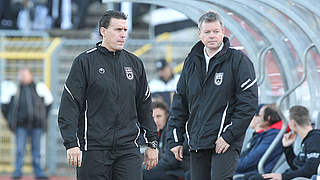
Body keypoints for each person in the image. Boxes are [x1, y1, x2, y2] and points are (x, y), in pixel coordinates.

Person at [58, 10, 158, 180]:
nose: (123, 35)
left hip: (128, 149)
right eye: (118, 30)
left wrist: (152, 143)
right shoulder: (84, 62)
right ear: (103, 31)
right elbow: (70, 105)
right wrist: (71, 143)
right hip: (93, 150)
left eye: (125, 30)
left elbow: (145, 106)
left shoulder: (135, 63)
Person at [166, 11, 258, 180]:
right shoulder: (191, 61)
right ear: (199, 34)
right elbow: (180, 102)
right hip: (197, 141)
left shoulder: (238, 60)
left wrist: (228, 136)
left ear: (223, 32)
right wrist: (176, 139)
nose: (212, 36)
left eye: (216, 31)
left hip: (225, 142)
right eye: (207, 32)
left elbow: (248, 104)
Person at [0, 68, 53, 179]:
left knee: (37, 151)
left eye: (25, 74)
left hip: (36, 126)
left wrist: (41, 118)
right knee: (19, 150)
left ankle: (38, 172)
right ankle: (17, 172)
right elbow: (4, 106)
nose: (23, 76)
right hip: (21, 126)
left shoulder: (39, 87)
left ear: (31, 75)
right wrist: (11, 120)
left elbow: (49, 103)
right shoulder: (14, 89)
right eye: (21, 74)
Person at [263, 105, 320, 180]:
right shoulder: (308, 139)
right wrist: (287, 147)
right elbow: (296, 166)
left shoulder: (315, 139)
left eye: (288, 122)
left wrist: (283, 177)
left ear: (293, 123)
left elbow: (311, 170)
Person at [143, 100, 188, 180]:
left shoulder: (171, 131)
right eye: (153, 117)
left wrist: (150, 167)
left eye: (159, 116)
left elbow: (171, 161)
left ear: (167, 115)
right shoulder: (160, 132)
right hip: (169, 170)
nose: (156, 121)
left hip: (179, 172)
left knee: (143, 173)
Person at [235, 106, 283, 177]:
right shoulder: (263, 134)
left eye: (257, 115)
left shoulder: (273, 136)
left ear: (268, 118)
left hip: (254, 174)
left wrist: (229, 165)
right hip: (247, 172)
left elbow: (250, 161)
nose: (253, 117)